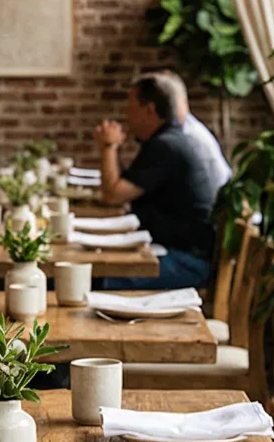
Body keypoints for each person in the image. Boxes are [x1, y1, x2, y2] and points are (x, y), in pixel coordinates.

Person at [93, 71, 228, 290]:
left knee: (85, 279)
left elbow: (113, 195)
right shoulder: (171, 139)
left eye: (131, 107)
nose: (127, 115)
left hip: (187, 263)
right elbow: (123, 189)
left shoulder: (166, 145)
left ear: (150, 110)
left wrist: (109, 147)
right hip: (182, 254)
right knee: (86, 272)